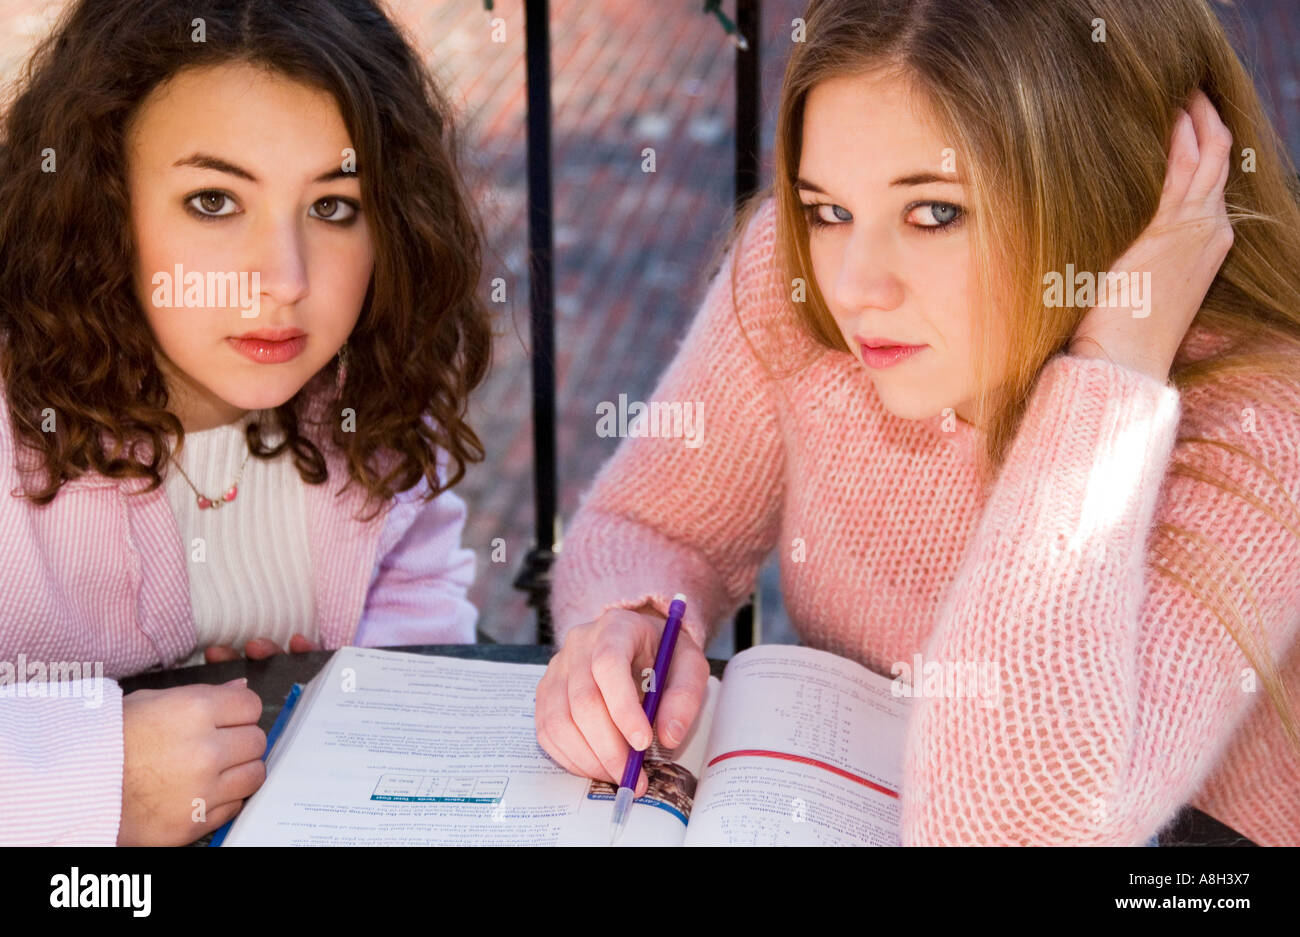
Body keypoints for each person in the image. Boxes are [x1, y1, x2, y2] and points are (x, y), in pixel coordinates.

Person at [537, 0, 1300, 846]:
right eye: (829, 210)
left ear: (1110, 192)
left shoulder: (1257, 426)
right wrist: (631, 618)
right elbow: (654, 520)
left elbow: (1010, 828)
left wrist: (1109, 373)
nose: (857, 283)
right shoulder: (794, 282)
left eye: (934, 212)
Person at [0, 0, 491, 845]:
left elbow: (422, 603)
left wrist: (335, 703)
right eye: (215, 201)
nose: (284, 279)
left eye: (334, 206)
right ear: (102, 203)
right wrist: (89, 779)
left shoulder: (370, 396)